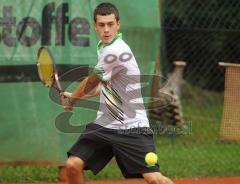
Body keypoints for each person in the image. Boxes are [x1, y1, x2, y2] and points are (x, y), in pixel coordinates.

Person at [61, 2, 174, 184]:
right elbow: (102, 86)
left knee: (154, 179)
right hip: (105, 125)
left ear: (118, 24)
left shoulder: (116, 51)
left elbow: (91, 81)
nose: (106, 30)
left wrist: (72, 100)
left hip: (132, 126)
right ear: (95, 26)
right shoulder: (103, 48)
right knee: (72, 166)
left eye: (110, 24)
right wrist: (78, 96)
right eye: (102, 25)